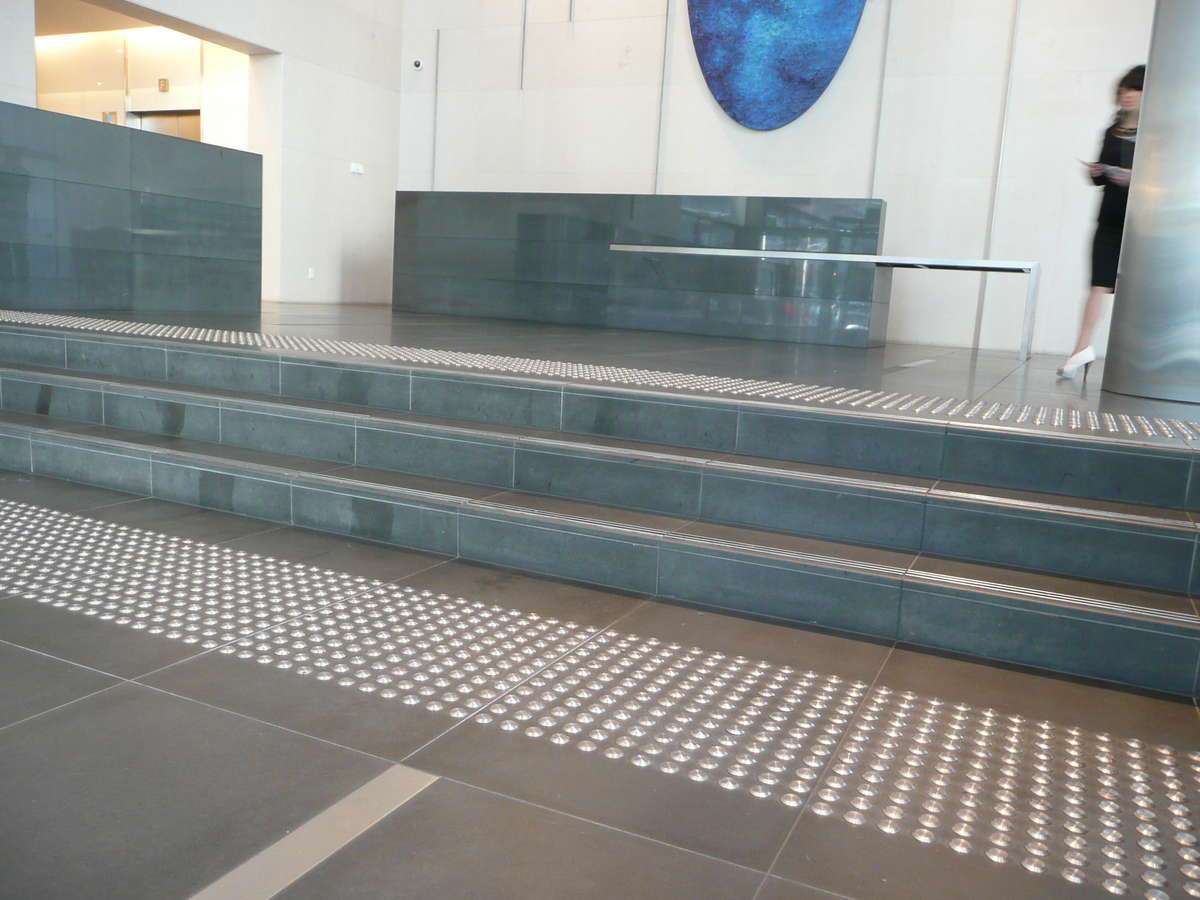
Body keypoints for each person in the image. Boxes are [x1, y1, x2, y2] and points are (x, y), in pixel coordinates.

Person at [1058, 64, 1144, 381]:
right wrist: (1096, 172)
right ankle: (1080, 349)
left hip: (1143, 220)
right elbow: (1098, 179)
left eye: (1134, 90)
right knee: (1098, 284)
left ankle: (1142, 357)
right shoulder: (1111, 131)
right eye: (1123, 91)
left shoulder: (1157, 131)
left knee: (1139, 289)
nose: (1127, 96)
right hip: (1109, 215)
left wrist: (1135, 178)